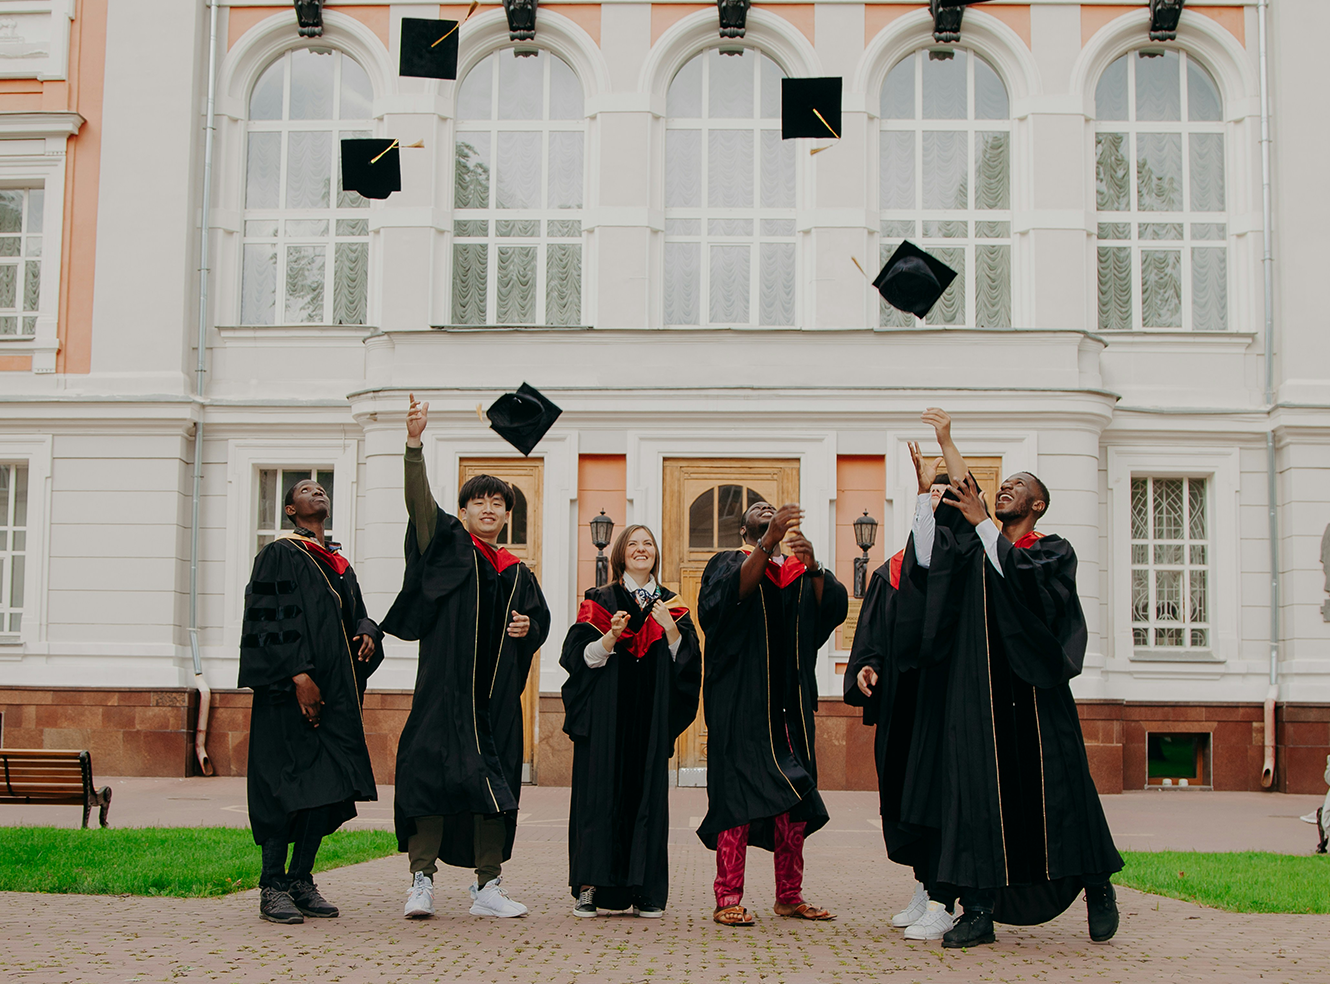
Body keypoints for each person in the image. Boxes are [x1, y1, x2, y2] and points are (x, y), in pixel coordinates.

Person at [911, 408, 1123, 948]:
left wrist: (983, 520)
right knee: (977, 796)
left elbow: (1028, 587)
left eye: (1017, 487)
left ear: (1038, 504)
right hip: (979, 698)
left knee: (1063, 793)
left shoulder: (1051, 550)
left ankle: (1097, 884)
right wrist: (946, 441)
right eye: (1001, 485)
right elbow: (956, 509)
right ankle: (979, 910)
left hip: (1033, 697)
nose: (1005, 490)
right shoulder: (977, 551)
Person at [382, 395, 551, 919]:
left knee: (493, 787)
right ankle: (421, 881)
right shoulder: (447, 546)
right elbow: (418, 502)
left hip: (495, 700)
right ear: (462, 511)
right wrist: (414, 443)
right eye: (478, 501)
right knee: (430, 777)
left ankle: (488, 887)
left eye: (498, 503)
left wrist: (528, 627)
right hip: (445, 692)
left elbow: (539, 622)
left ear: (508, 515)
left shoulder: (518, 572)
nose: (489, 509)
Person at [696, 501, 848, 926]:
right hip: (741, 707)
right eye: (756, 510)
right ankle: (727, 897)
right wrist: (768, 542)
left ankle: (789, 896)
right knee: (736, 801)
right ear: (745, 529)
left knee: (794, 798)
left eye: (770, 506)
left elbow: (830, 612)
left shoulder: (798, 572)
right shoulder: (728, 562)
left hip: (790, 708)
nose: (764, 506)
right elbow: (723, 604)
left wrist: (814, 565)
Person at [239, 478, 383, 924]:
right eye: (305, 489)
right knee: (285, 788)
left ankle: (301, 879)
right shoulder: (279, 553)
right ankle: (271, 886)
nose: (317, 491)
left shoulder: (338, 563)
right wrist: (299, 676)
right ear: (290, 510)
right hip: (289, 698)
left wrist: (368, 630)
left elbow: (355, 611)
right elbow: (266, 622)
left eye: (321, 488)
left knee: (326, 787)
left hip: (336, 697)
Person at [843, 446, 959, 941]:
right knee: (901, 796)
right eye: (924, 498)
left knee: (934, 798)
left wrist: (927, 488)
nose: (930, 502)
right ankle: (923, 883)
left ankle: (943, 896)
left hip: (942, 702)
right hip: (900, 706)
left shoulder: (957, 567)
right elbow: (872, 636)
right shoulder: (889, 572)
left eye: (939, 496)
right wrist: (867, 668)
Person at [559, 524, 702, 917]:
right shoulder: (599, 600)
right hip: (605, 721)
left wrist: (671, 630)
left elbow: (689, 668)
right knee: (596, 800)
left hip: (650, 723)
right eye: (634, 544)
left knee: (648, 802)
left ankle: (646, 890)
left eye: (649, 544)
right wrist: (609, 636)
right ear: (621, 553)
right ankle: (589, 886)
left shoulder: (672, 605)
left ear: (656, 553)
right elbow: (577, 659)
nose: (642, 550)